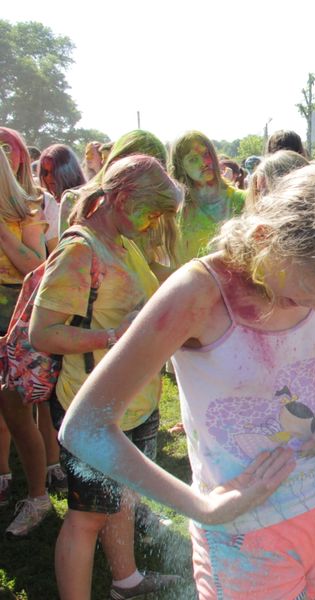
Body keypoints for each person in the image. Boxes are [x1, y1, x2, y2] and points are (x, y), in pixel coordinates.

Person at [59, 165, 315, 599]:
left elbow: (306, 369)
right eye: (310, 292)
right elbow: (84, 428)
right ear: (265, 240)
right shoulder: (198, 293)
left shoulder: (300, 278)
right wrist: (202, 509)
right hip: (243, 540)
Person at [27, 155, 181, 597]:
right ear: (121, 197)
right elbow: (43, 334)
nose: (153, 223)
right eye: (150, 211)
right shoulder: (80, 249)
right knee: (87, 516)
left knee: (124, 498)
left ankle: (126, 582)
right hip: (92, 407)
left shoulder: (123, 241)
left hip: (132, 401)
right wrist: (116, 335)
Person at [0, 150, 49, 518]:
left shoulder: (26, 211)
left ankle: (38, 496)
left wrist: (2, 231)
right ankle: (3, 474)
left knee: (17, 411)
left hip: (13, 317)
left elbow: (36, 264)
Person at [168, 131, 245, 267]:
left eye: (205, 154)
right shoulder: (177, 210)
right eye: (193, 159)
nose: (204, 163)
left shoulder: (241, 200)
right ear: (181, 167)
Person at [38, 144, 87, 252]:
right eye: (45, 173)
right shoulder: (43, 202)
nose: (49, 177)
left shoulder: (86, 201)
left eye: (54, 172)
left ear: (68, 171)